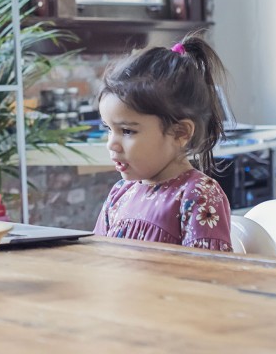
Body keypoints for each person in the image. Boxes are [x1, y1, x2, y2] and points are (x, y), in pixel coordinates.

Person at [93, 34, 233, 250]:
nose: (112, 144)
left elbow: (207, 276)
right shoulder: (120, 193)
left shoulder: (198, 195)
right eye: (108, 129)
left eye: (127, 131)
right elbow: (97, 258)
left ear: (180, 133)